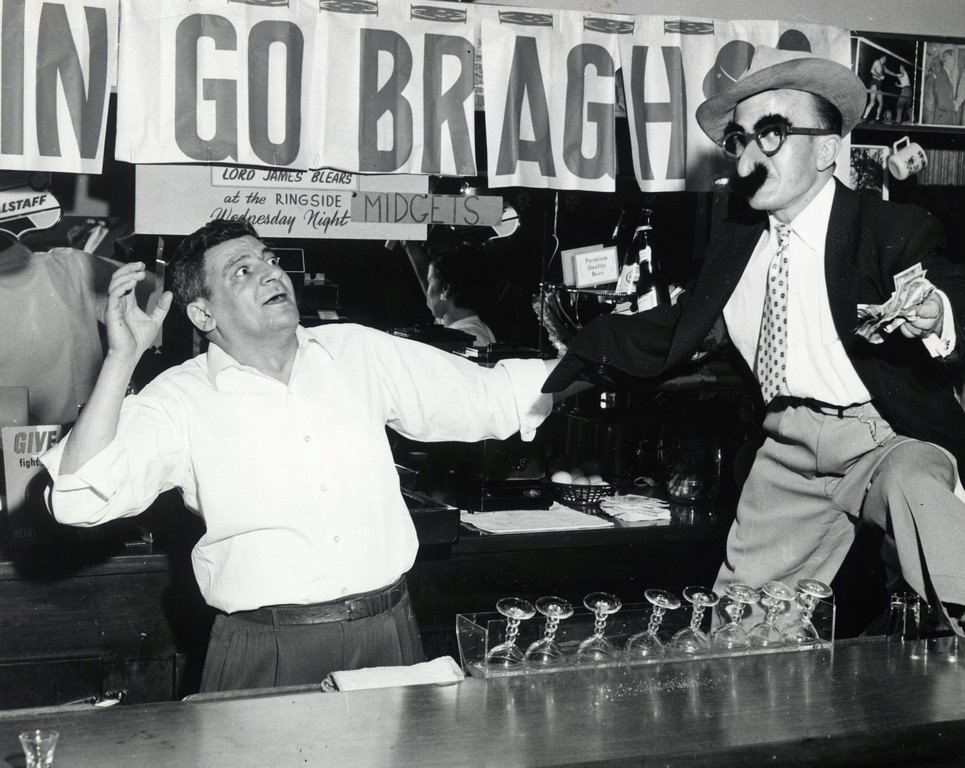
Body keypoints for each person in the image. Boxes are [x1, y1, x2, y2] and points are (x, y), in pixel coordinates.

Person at [543, 45, 965, 634]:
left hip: (879, 438)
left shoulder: (889, 229)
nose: (747, 161)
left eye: (770, 134)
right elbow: (682, 323)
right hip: (786, 449)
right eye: (740, 140)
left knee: (920, 496)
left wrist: (936, 313)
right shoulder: (739, 240)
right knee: (738, 629)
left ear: (825, 148)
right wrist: (562, 361)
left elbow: (949, 293)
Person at [41, 218, 560, 692]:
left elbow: (494, 398)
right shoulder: (179, 397)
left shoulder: (356, 352)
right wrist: (121, 358)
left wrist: (606, 348)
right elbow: (78, 499)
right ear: (202, 312)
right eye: (244, 270)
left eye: (270, 259)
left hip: (389, 634)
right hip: (268, 649)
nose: (272, 273)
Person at [0, 237, 154, 426]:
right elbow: (157, 290)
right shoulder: (68, 266)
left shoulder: (69, 267)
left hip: (82, 432)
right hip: (81, 433)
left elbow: (154, 291)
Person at [402, 237, 497, 347]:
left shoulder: (465, 340)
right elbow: (439, 301)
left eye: (430, 282)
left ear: (445, 290)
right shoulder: (464, 326)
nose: (428, 292)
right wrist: (409, 246)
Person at [862, 54, 888, 122]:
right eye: (885, 58)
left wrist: (896, 74)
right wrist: (880, 76)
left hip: (879, 85)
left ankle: (877, 118)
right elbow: (872, 71)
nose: (886, 59)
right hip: (874, 83)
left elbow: (889, 72)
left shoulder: (883, 66)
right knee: (872, 102)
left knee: (881, 103)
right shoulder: (877, 62)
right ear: (882, 57)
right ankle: (864, 117)